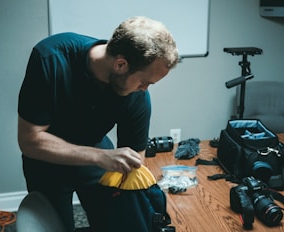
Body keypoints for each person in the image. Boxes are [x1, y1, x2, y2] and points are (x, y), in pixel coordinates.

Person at [17, 16, 179, 231]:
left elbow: (135, 159)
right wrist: (100, 157)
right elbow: (29, 140)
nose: (145, 89)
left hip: (97, 153)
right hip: (47, 158)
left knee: (116, 222)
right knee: (54, 227)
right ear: (121, 64)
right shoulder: (51, 57)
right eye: (144, 81)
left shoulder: (137, 95)